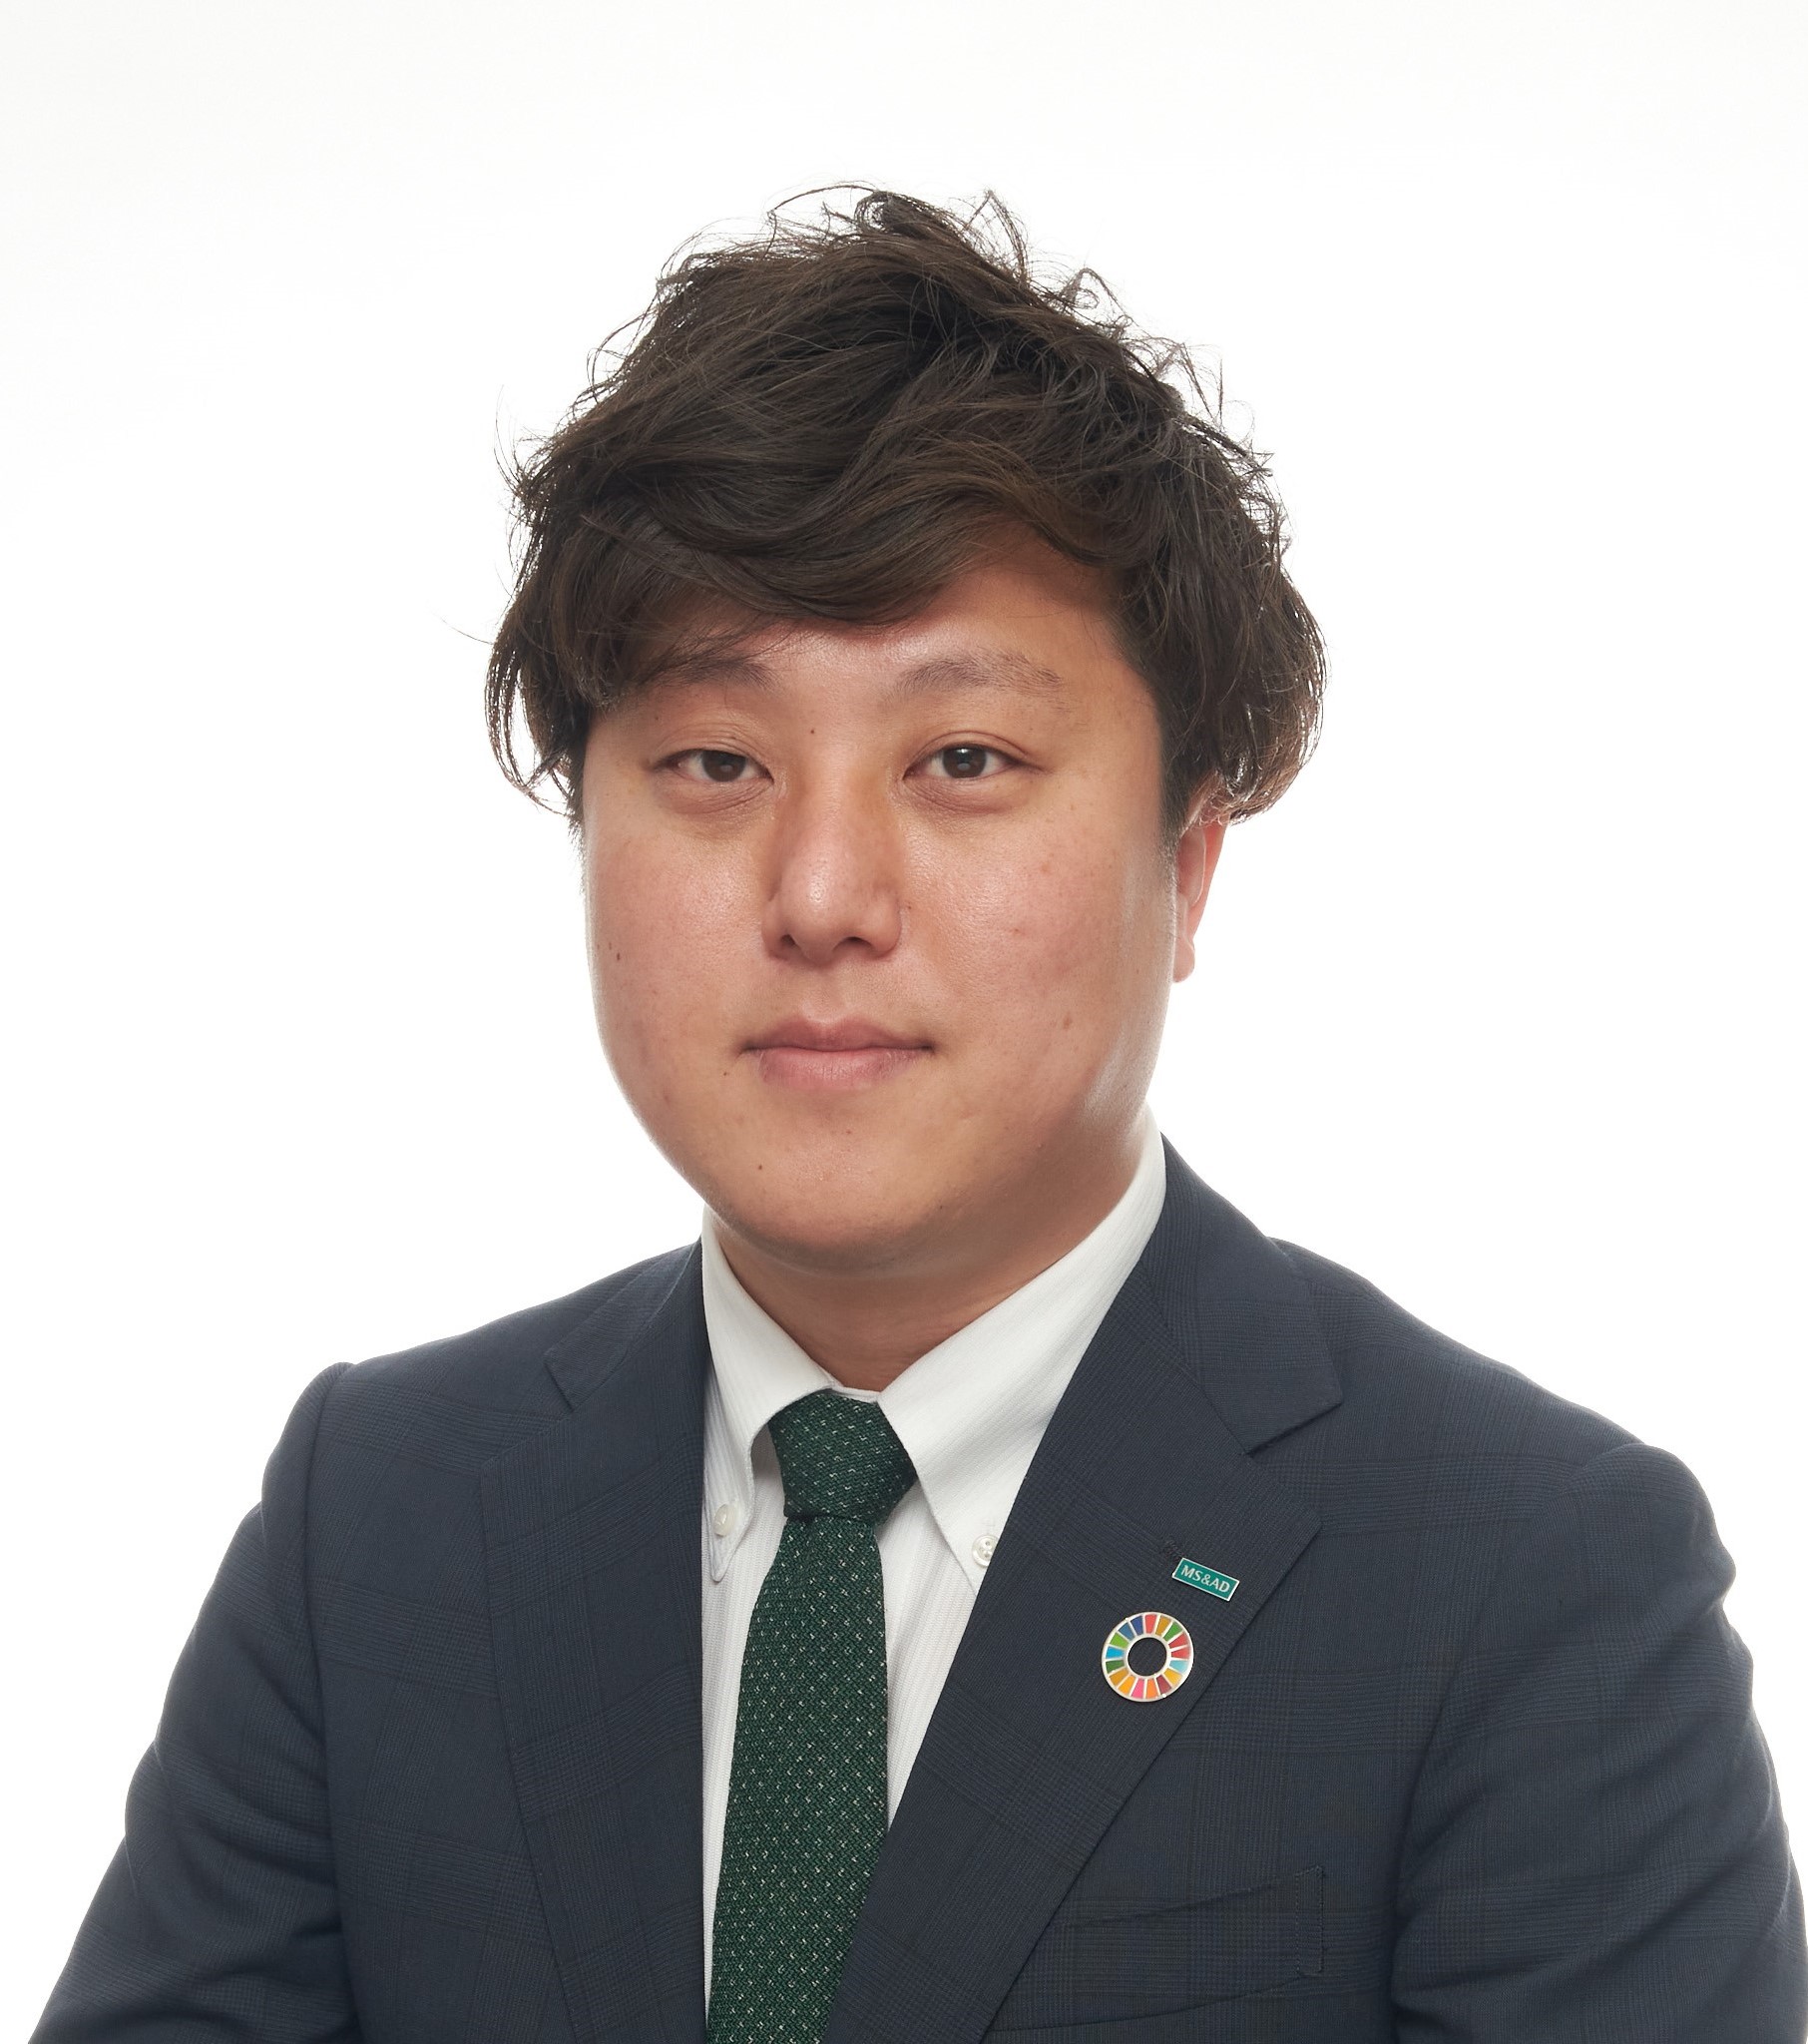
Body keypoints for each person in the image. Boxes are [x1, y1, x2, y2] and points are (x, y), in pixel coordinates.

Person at [33, 189, 1805, 2043]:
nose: (821, 896)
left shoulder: (1523, 1579)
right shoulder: (385, 1518)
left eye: (964, 760)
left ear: (1188, 865)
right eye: (715, 761)